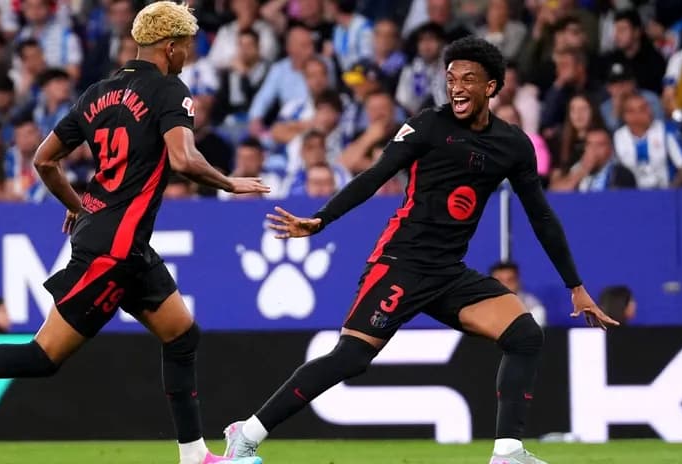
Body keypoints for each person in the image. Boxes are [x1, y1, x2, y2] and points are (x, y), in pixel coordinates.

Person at [0, 4, 267, 464]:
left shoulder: (98, 93)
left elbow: (43, 159)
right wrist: (229, 182)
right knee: (42, 356)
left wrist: (79, 208)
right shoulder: (169, 89)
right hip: (113, 250)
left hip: (119, 241)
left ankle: (195, 456)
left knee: (181, 335)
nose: (189, 55)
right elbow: (182, 159)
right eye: (188, 45)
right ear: (170, 47)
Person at [222, 37, 617, 464]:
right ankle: (245, 435)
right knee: (351, 357)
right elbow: (375, 175)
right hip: (400, 263)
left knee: (524, 335)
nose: (457, 87)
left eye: (468, 78)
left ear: (492, 86)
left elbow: (541, 217)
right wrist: (322, 218)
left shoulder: (513, 146)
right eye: (451, 79)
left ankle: (507, 454)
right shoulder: (429, 126)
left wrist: (575, 285)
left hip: (447, 272)